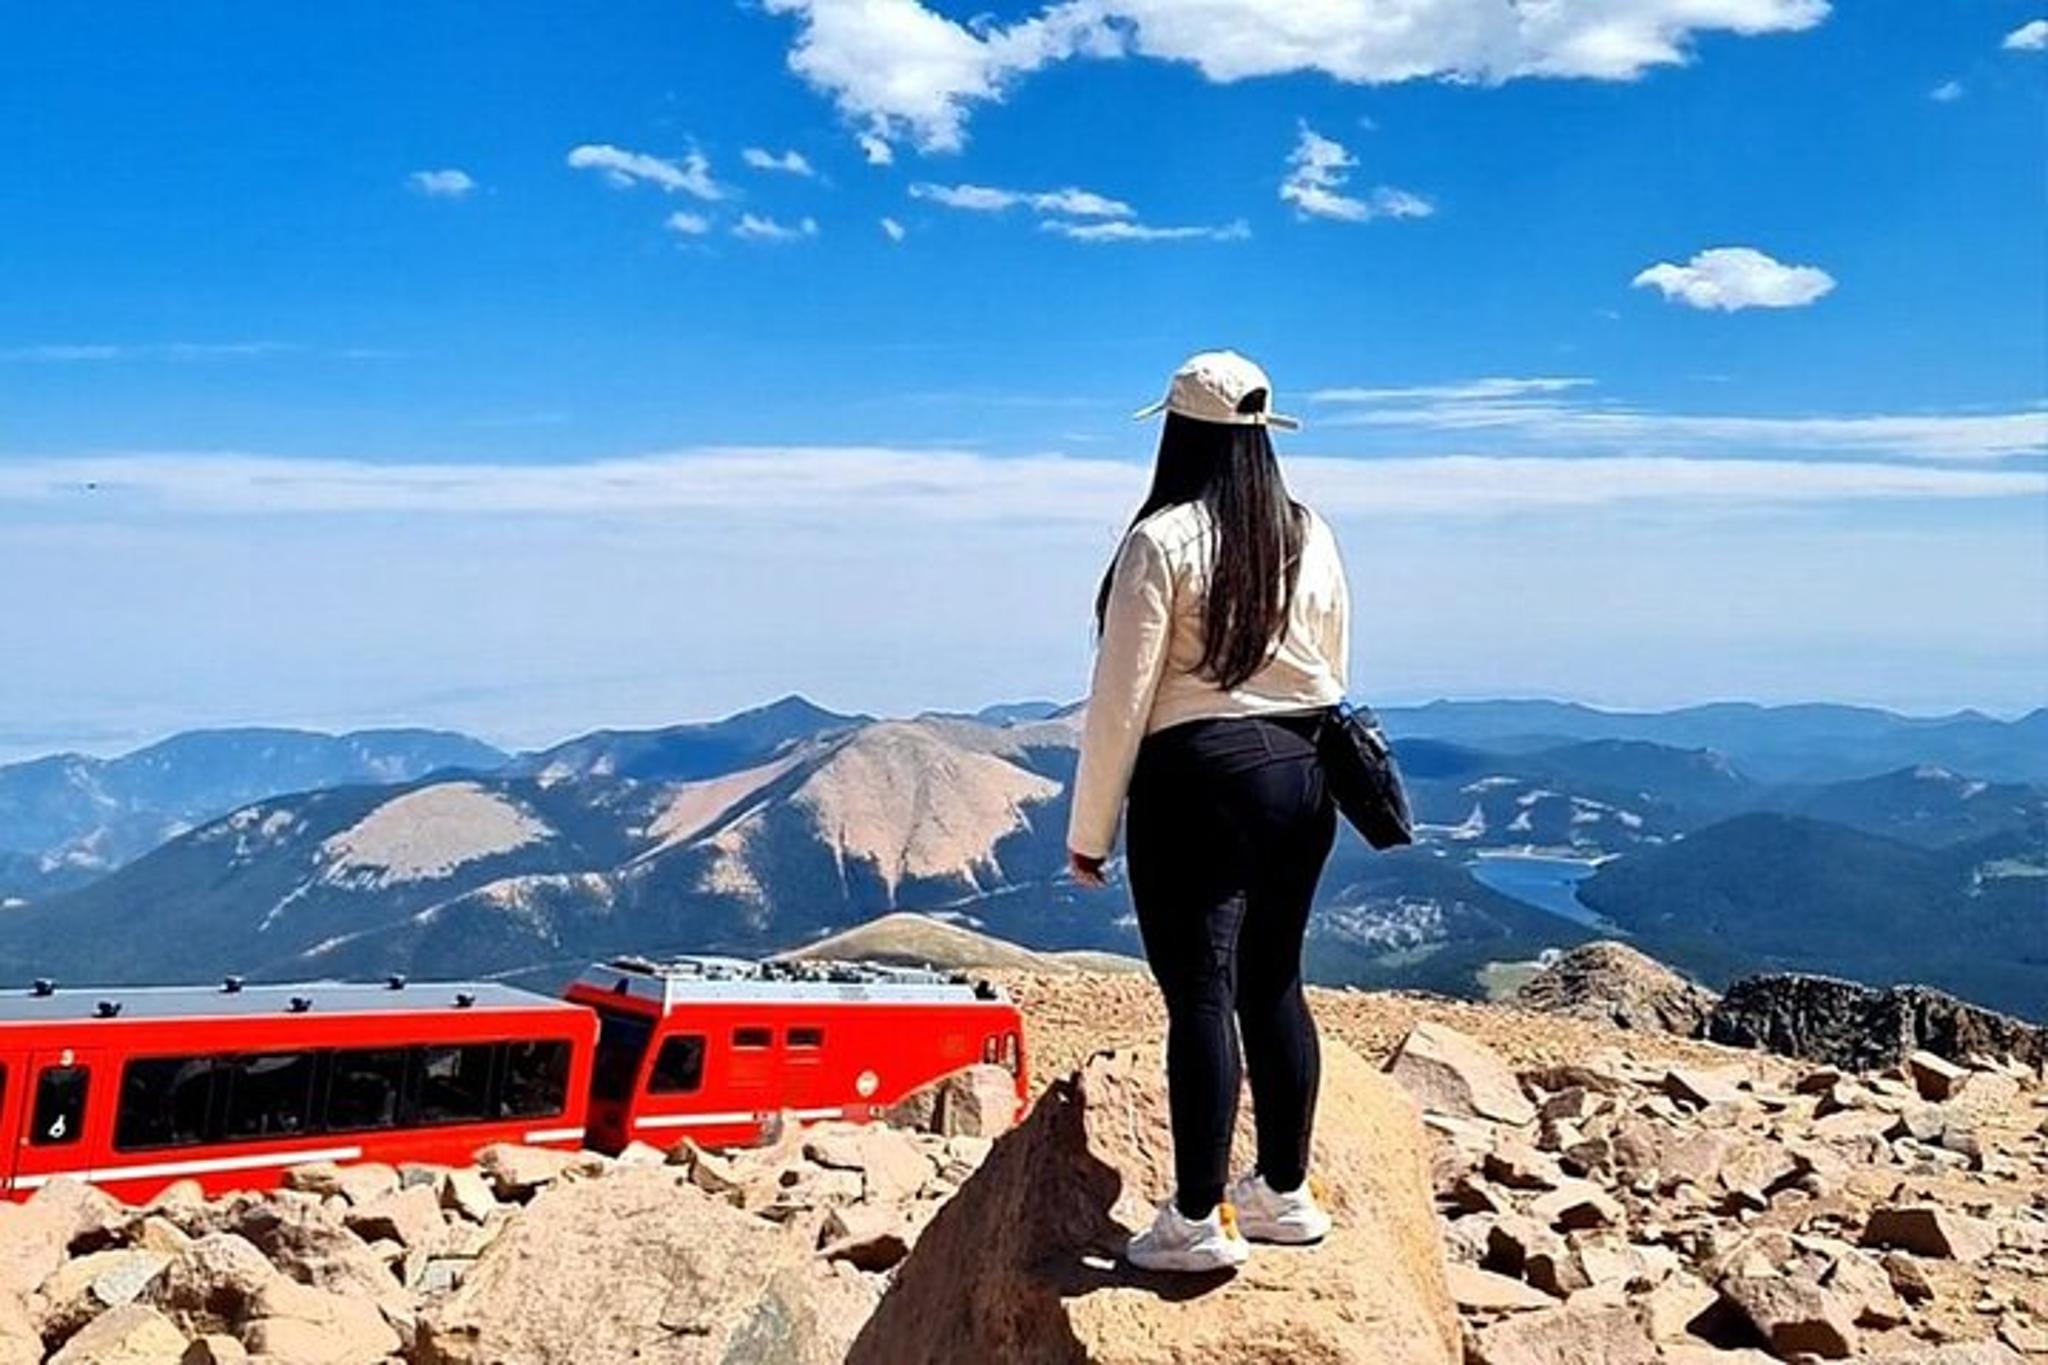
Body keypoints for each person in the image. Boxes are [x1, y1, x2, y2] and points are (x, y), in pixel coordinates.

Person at [1067, 349, 1351, 1274]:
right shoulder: (1312, 532)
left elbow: (1123, 696)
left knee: (1198, 990)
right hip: (1304, 771)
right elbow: (1333, 663)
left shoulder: (1162, 541)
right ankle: (1285, 1192)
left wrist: (1090, 830)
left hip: (1197, 776)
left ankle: (1196, 1218)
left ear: (1178, 433)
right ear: (1265, 437)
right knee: (1274, 980)